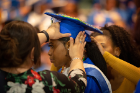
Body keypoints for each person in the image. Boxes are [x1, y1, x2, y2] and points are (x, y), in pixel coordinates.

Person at [0, 20, 87, 93]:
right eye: (50, 46)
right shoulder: (45, 82)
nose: (49, 52)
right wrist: (76, 57)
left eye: (52, 46)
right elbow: (79, 84)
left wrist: (46, 34)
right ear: (32, 53)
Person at [46, 12, 112, 93]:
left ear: (69, 45)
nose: (49, 52)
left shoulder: (89, 78)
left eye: (52, 46)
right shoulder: (62, 70)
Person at [91, 24, 140, 93]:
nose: (98, 51)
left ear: (117, 51)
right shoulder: (92, 77)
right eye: (95, 47)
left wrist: (105, 55)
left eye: (102, 46)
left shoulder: (129, 77)